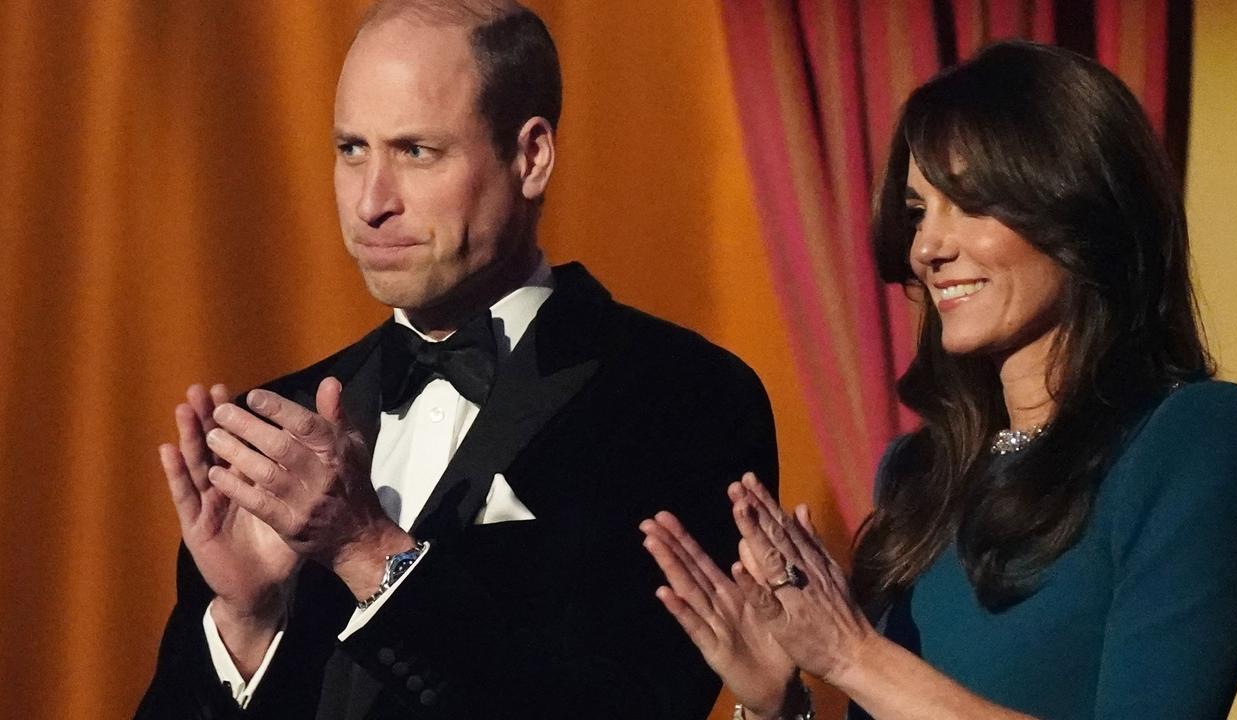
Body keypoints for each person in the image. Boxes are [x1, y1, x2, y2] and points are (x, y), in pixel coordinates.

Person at [135, 2, 778, 719]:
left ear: (530, 157)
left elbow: (628, 700)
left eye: (416, 151)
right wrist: (246, 623)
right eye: (352, 149)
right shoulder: (279, 432)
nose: (370, 202)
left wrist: (370, 554)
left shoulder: (682, 399)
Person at [642, 40, 1237, 719]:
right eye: (918, 212)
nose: (926, 249)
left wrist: (856, 657)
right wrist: (778, 703)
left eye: (970, 203)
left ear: (1083, 210)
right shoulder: (919, 474)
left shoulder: (1197, 439)